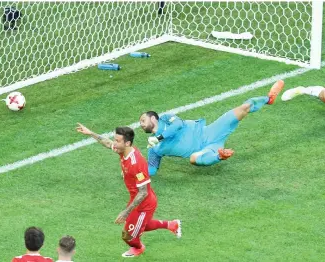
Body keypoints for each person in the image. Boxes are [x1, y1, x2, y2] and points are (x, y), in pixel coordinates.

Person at [76, 124, 181, 258]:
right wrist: (90, 132)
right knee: (141, 225)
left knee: (128, 236)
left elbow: (143, 192)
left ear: (127, 143)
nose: (114, 143)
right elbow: (107, 143)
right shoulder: (122, 150)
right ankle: (172, 224)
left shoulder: (136, 163)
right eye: (115, 139)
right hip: (136, 200)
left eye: (118, 141)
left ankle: (139, 248)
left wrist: (126, 212)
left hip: (145, 203)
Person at [139, 80, 285, 176]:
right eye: (140, 123)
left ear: (153, 118)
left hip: (210, 131)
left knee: (244, 108)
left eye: (143, 120)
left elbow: (178, 126)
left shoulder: (166, 118)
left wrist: (159, 138)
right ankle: (220, 156)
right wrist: (132, 172)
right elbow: (150, 170)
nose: (141, 124)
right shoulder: (154, 149)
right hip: (204, 149)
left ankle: (268, 99)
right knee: (193, 159)